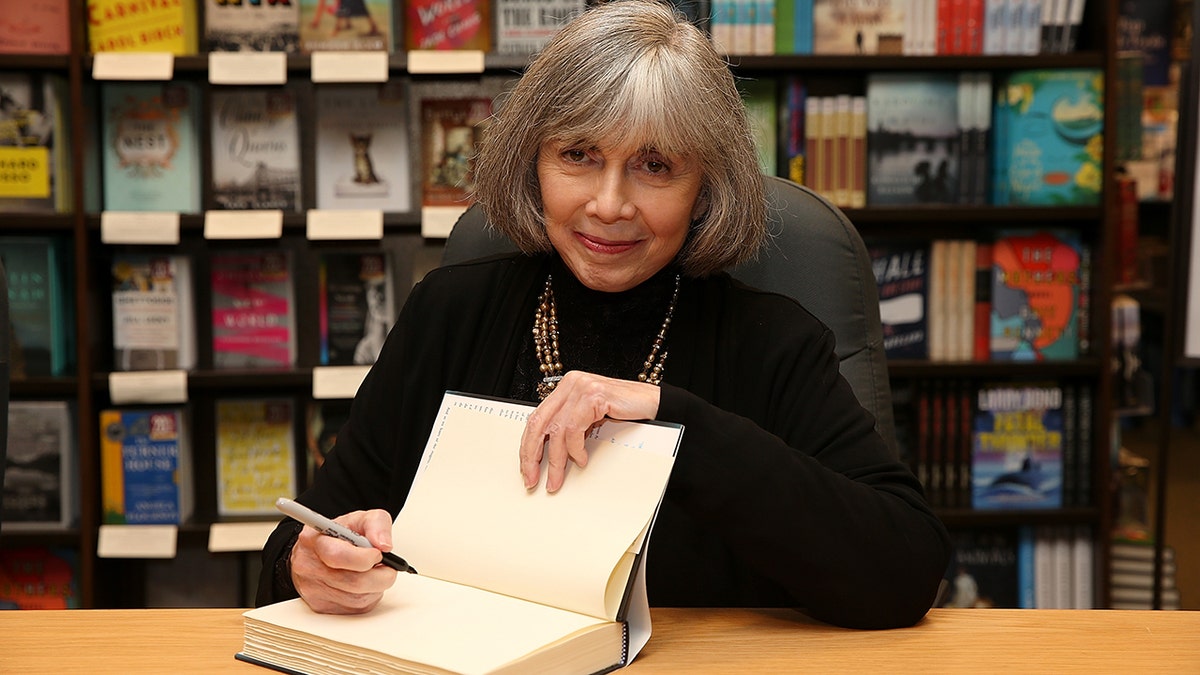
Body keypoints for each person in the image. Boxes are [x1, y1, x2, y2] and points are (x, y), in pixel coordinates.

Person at [257, 0, 951, 630]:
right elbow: (291, 551)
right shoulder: (448, 313)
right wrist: (312, 564)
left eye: (655, 165)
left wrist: (674, 418)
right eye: (579, 155)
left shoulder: (773, 343)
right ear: (532, 161)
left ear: (705, 184)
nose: (610, 204)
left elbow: (904, 569)